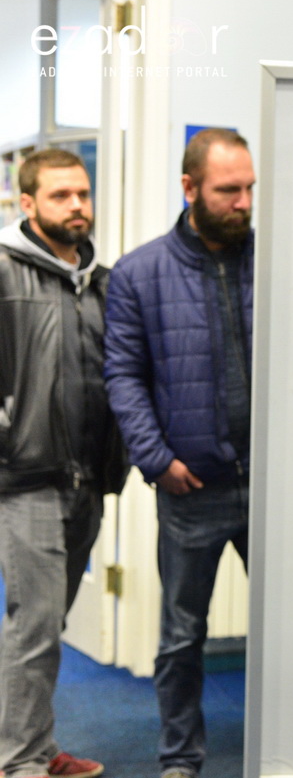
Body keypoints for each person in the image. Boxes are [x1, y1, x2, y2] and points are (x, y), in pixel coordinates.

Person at [104, 128, 255, 778]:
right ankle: (179, 757)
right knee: (181, 635)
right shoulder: (138, 274)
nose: (244, 201)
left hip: (273, 484)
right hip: (191, 486)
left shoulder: (280, 264)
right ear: (190, 188)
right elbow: (122, 375)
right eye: (229, 190)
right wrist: (156, 459)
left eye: (250, 187)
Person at [0, 149, 126, 778]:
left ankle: (39, 747)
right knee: (38, 624)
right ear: (28, 204)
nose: (77, 205)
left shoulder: (104, 280)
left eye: (82, 193)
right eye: (60, 196)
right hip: (25, 479)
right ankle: (19, 761)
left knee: (50, 621)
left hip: (89, 479)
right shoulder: (3, 270)